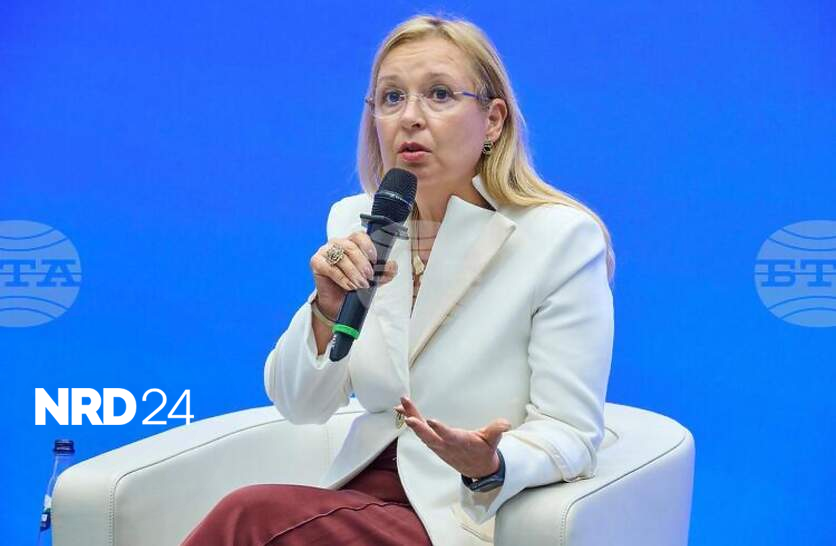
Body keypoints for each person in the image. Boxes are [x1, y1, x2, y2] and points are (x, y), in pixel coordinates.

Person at [182, 13, 615, 546]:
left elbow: (571, 430)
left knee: (251, 516)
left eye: (439, 94)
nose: (410, 117)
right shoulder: (357, 221)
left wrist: (490, 463)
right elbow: (299, 404)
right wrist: (325, 309)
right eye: (391, 98)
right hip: (355, 492)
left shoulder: (558, 238)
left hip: (462, 509)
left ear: (493, 120)